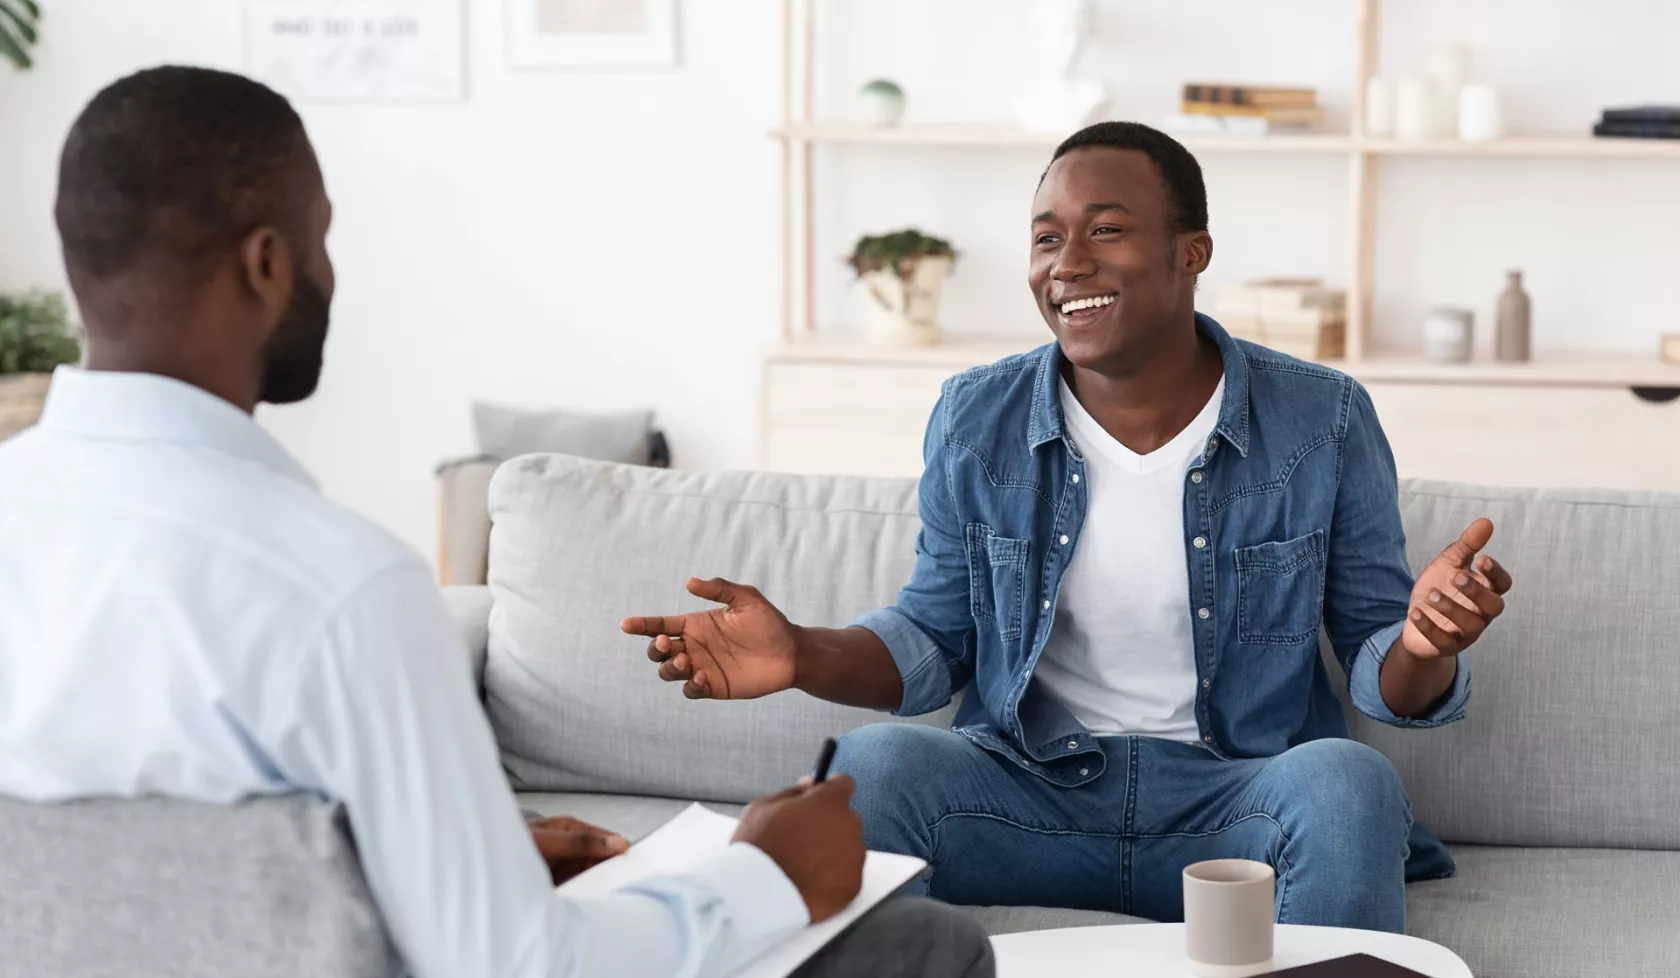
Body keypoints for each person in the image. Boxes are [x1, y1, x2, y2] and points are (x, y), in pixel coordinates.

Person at [0, 66, 993, 978]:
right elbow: (522, 968)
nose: (331, 276)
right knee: (923, 948)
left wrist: (435, 860)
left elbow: (154, 885)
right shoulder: (341, 591)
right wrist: (765, 876)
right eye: (322, 239)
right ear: (266, 263)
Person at [627, 121, 1514, 934]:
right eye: (1047, 237)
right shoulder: (978, 417)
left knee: (1348, 781)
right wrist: (801, 654)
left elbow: (1382, 675)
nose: (1067, 262)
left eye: (1106, 229)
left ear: (1190, 252)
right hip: (1027, 801)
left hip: (1232, 811)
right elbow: (935, 636)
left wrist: (1424, 642)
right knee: (874, 767)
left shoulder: (1322, 420)